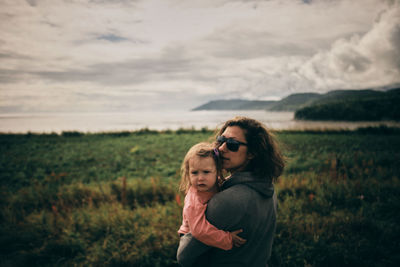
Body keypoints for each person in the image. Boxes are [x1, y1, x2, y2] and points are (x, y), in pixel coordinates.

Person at [177, 116, 285, 267]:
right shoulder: (269, 190)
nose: (221, 148)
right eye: (221, 140)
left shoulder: (227, 200)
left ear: (252, 153)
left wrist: (184, 234)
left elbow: (184, 256)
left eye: (232, 144)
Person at [177, 142, 247, 252]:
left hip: (207, 234)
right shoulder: (194, 199)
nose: (200, 178)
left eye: (206, 172)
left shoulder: (217, 184)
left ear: (217, 172)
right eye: (194, 173)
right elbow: (199, 230)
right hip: (190, 238)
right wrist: (227, 238)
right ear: (188, 173)